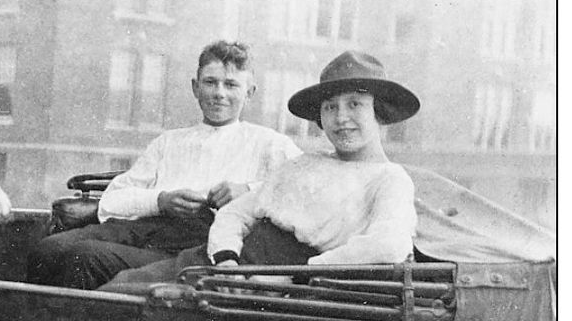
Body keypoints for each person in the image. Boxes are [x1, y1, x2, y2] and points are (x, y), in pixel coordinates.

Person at [101, 50, 419, 289]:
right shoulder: (303, 164)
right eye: (330, 107)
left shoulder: (388, 179)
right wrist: (226, 258)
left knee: (131, 308)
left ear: (379, 112)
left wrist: (300, 275)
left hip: (267, 289)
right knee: (118, 289)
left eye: (355, 105)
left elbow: (388, 245)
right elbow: (236, 213)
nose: (341, 118)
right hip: (218, 264)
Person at [26, 40, 299, 289]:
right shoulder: (168, 142)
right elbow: (114, 199)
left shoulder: (271, 144)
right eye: (210, 82)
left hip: (195, 243)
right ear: (195, 87)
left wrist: (249, 190)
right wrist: (161, 200)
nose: (219, 93)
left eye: (231, 85)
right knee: (46, 249)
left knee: (84, 258)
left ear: (249, 92)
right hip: (146, 227)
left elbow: (308, 192)